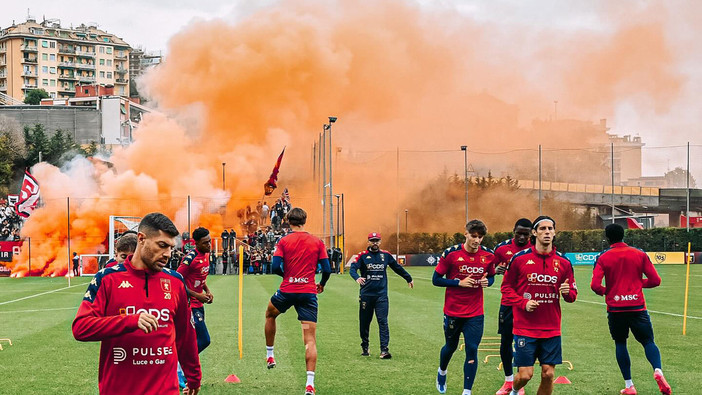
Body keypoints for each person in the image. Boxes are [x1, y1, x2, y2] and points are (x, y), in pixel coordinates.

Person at [72, 212, 201, 395]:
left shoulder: (176, 282)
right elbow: (81, 328)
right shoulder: (107, 278)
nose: (168, 254)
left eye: (171, 247)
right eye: (162, 245)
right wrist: (129, 321)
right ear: (141, 239)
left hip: (165, 390)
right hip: (119, 389)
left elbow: (185, 336)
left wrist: (194, 377)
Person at [590, 223, 671, 395]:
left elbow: (595, 285)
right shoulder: (639, 254)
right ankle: (658, 370)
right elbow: (656, 280)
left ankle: (629, 385)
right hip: (637, 307)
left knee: (621, 343)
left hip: (616, 309)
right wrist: (638, 284)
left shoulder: (603, 257)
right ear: (623, 235)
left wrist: (609, 292)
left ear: (607, 237)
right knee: (648, 341)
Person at [501, 216, 577, 395]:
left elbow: (572, 296)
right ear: (534, 233)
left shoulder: (564, 262)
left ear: (555, 233)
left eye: (550, 229)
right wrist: (523, 302)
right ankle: (514, 391)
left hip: (551, 328)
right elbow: (506, 289)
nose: (547, 232)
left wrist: (566, 292)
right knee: (525, 375)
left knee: (548, 374)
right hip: (524, 328)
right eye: (542, 229)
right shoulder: (519, 259)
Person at [264, 208, 331, 395]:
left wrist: (289, 276)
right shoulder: (317, 242)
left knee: (270, 313)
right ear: (305, 220)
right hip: (308, 293)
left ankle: (270, 355)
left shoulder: (284, 241)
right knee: (309, 339)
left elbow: (275, 266)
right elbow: (327, 269)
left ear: (288, 221)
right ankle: (309, 384)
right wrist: (322, 284)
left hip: (287, 291)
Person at [433, 219, 496, 395]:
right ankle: (442, 371)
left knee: (472, 349)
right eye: (473, 236)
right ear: (466, 234)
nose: (477, 240)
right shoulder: (451, 254)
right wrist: (458, 283)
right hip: (453, 311)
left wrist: (487, 282)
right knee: (450, 347)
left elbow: (491, 277)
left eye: (480, 237)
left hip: (475, 312)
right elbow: (436, 280)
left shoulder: (488, 255)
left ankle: (467, 391)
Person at [349, 232, 413, 358]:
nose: (375, 243)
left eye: (377, 240)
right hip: (366, 295)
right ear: (368, 242)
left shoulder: (386, 255)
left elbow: (397, 268)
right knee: (365, 323)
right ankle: (365, 346)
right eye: (372, 241)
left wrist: (408, 278)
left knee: (383, 322)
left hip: (381, 296)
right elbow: (352, 268)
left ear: (380, 241)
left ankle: (384, 350)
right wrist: (357, 277)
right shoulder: (362, 256)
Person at [493, 218, 533, 395]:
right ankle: (509, 381)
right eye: (519, 233)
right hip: (508, 303)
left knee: (525, 343)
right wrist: (495, 270)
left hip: (529, 303)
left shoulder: (535, 248)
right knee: (506, 341)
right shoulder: (502, 249)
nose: (523, 237)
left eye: (526, 234)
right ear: (513, 231)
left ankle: (520, 380)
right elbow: (490, 270)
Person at [176, 227, 214, 388]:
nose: (209, 245)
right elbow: (177, 280)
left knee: (193, 339)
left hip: (198, 304)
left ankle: (181, 369)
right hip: (189, 304)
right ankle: (178, 366)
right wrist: (196, 295)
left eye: (210, 241)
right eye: (205, 243)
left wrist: (207, 291)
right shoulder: (190, 258)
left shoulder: (206, 256)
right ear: (196, 243)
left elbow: (200, 278)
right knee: (204, 339)